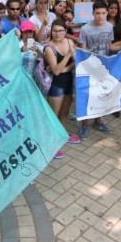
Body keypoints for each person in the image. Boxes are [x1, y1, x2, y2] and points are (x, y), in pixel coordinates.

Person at [78, 1, 121, 136]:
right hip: (89, 68)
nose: (100, 16)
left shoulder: (108, 27)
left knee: (101, 94)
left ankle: (98, 121)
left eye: (103, 13)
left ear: (107, 13)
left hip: (103, 67)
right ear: (93, 13)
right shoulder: (85, 29)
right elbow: (82, 52)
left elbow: (110, 47)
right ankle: (84, 124)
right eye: (97, 13)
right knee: (87, 95)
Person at [44, 19, 80, 156]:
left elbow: (75, 64)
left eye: (60, 30)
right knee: (54, 115)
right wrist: (68, 56)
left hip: (68, 82)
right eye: (55, 30)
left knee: (64, 113)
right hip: (56, 85)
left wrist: (65, 68)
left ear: (65, 31)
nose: (57, 33)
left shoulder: (70, 42)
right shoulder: (49, 48)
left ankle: (63, 136)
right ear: (51, 31)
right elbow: (56, 71)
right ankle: (52, 144)